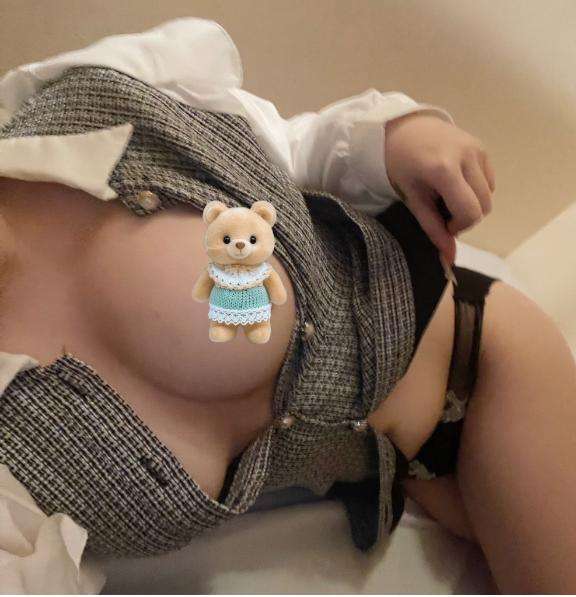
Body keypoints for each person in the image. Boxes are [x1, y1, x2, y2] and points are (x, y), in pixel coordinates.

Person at [0, 18, 574, 595]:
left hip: (478, 356)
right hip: (401, 470)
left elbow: (293, 147)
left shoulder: (82, 103)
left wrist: (398, 139)